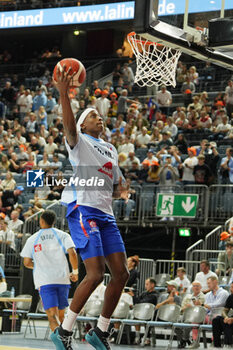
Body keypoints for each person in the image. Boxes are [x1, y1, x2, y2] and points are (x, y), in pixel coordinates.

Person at [51, 65, 129, 350]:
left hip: (106, 214)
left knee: (121, 274)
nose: (101, 119)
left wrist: (124, 187)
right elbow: (69, 126)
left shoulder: (109, 148)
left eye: (101, 116)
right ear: (84, 125)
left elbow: (117, 178)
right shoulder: (79, 141)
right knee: (95, 274)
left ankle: (100, 331)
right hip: (83, 210)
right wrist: (64, 93)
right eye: (94, 116)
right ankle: (64, 330)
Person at [20, 210, 78, 333]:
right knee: (61, 316)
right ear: (54, 221)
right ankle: (65, 340)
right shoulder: (63, 235)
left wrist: (40, 266)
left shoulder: (33, 238)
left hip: (45, 280)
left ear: (41, 221)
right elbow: (72, 253)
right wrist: (75, 271)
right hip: (62, 279)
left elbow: (27, 263)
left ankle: (60, 342)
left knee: (52, 315)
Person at [176, 281, 205, 349]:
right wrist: (186, 307)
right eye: (194, 286)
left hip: (196, 316)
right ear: (192, 287)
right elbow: (181, 308)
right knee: (175, 321)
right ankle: (185, 339)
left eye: (197, 286)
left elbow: (201, 309)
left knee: (187, 322)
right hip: (184, 314)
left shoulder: (202, 297)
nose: (195, 287)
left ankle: (183, 340)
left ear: (200, 287)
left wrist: (192, 306)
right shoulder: (187, 296)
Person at [129, 277, 158, 345]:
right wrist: (133, 296)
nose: (145, 286)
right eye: (145, 284)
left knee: (147, 318)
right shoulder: (144, 293)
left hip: (150, 315)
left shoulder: (155, 295)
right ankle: (137, 337)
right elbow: (137, 302)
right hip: (141, 313)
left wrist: (134, 296)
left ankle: (147, 338)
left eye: (147, 284)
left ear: (152, 285)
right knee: (136, 317)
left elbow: (142, 302)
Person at [212, 281, 233, 348]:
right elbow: (224, 310)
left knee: (226, 322)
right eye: (231, 287)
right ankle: (217, 345)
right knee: (216, 320)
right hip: (230, 318)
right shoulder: (231, 297)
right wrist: (226, 317)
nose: (231, 289)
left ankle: (228, 343)